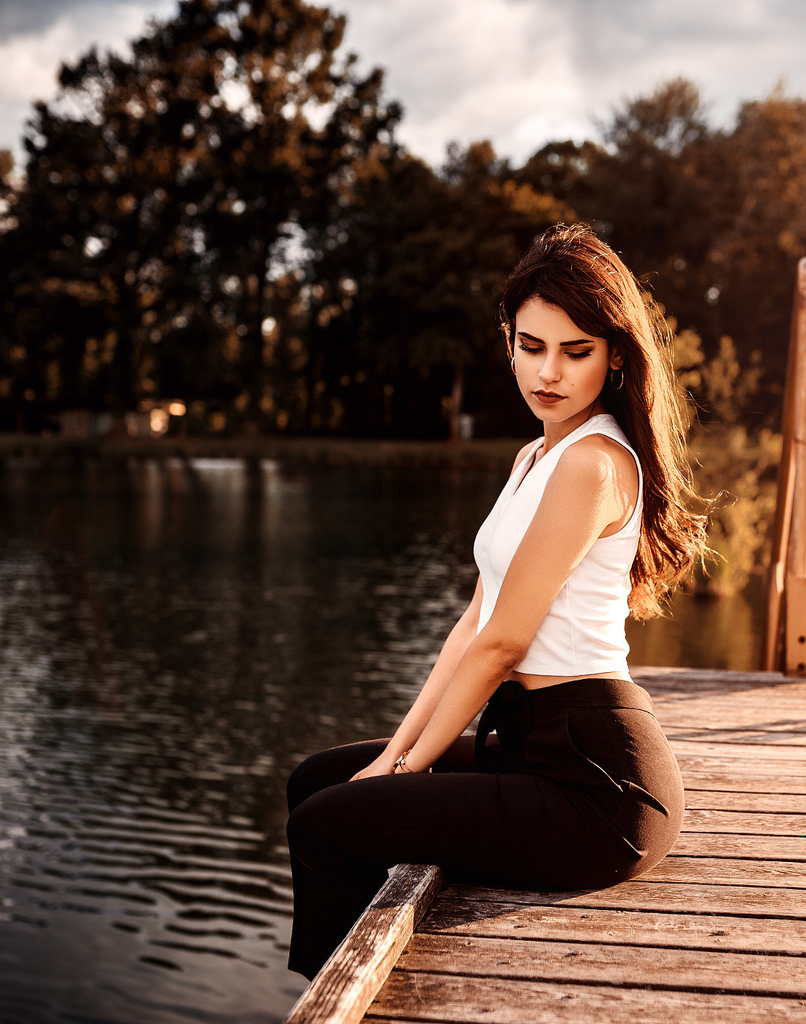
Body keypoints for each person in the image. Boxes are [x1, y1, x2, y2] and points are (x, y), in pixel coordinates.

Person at [284, 223, 709, 980]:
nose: (547, 372)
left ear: (614, 355)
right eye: (530, 344)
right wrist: (395, 754)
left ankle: (330, 1000)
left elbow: (504, 645)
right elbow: (471, 626)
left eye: (575, 351)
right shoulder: (534, 456)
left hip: (598, 782)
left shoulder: (595, 463)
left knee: (328, 825)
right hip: (527, 748)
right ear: (507, 338)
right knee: (315, 782)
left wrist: (404, 771)